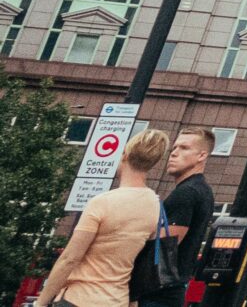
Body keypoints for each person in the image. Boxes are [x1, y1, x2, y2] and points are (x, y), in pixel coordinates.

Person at [35, 127, 173, 307]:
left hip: (81, 298)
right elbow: (142, 264)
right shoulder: (156, 206)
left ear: (124, 155)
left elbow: (70, 258)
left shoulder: (102, 202)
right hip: (118, 300)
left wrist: (41, 302)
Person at [142, 127, 216, 307]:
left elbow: (163, 250)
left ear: (201, 156)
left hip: (157, 295)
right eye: (174, 148)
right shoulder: (201, 190)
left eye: (184, 148)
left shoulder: (187, 193)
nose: (174, 154)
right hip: (170, 291)